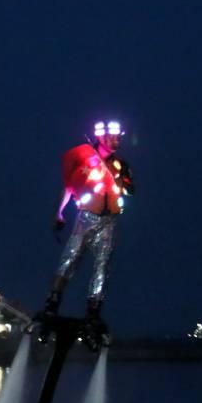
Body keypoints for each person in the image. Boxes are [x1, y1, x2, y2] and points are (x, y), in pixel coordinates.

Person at [40, 120, 134, 338]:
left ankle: (94, 310)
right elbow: (69, 186)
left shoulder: (120, 165)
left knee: (102, 267)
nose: (117, 140)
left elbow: (131, 190)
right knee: (70, 258)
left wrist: (123, 183)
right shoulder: (85, 158)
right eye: (113, 137)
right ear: (102, 137)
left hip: (109, 222)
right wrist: (59, 213)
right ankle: (52, 302)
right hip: (86, 218)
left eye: (119, 137)